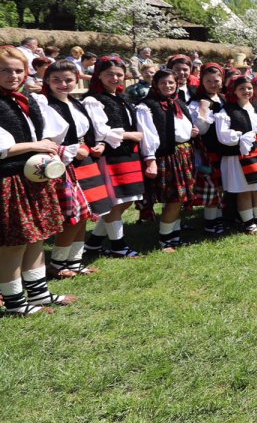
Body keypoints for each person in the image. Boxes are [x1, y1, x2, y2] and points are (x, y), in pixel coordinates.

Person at [0, 45, 77, 316]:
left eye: (18, 70)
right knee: (14, 243)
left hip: (32, 176)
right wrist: (38, 145)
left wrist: (46, 146)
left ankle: (40, 293)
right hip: (8, 179)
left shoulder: (25, 100)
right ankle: (15, 304)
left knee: (38, 236)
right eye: (6, 70)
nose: (13, 75)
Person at [42, 61, 108, 278]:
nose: (63, 84)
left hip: (83, 160)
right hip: (64, 164)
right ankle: (58, 263)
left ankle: (75, 261)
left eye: (68, 80)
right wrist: (67, 149)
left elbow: (85, 132)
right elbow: (42, 138)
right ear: (47, 81)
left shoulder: (76, 103)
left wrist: (95, 145)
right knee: (73, 216)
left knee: (85, 214)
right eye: (56, 80)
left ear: (76, 80)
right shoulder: (45, 106)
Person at [81, 56, 146, 258]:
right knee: (116, 201)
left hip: (128, 153)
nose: (115, 78)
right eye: (110, 74)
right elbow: (100, 131)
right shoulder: (93, 100)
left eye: (119, 74)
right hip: (110, 155)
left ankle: (93, 243)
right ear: (98, 75)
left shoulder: (121, 97)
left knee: (127, 199)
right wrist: (129, 135)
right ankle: (119, 246)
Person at [135, 70, 199, 250]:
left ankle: (174, 237)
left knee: (180, 198)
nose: (168, 86)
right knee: (173, 199)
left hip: (184, 153)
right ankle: (165, 240)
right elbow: (147, 136)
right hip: (167, 156)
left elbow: (182, 126)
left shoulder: (177, 102)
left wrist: (191, 132)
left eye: (171, 83)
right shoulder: (147, 106)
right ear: (155, 84)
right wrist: (150, 159)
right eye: (163, 83)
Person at [187, 63, 229, 236]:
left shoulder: (225, 99)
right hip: (207, 150)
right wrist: (204, 110)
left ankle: (219, 219)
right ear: (201, 82)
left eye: (216, 80)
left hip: (224, 149)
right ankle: (211, 222)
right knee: (212, 187)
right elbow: (199, 130)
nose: (213, 84)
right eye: (208, 81)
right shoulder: (196, 102)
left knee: (221, 186)